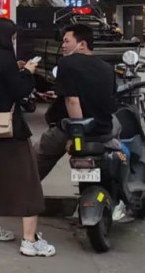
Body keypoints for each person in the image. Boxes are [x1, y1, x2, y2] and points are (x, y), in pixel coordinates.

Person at [0, 17, 55, 258]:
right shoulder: (5, 58)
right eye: (12, 38)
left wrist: (14, 70)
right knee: (27, 181)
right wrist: (27, 72)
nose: (13, 42)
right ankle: (30, 240)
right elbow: (19, 90)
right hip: (8, 130)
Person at [36, 24, 116, 181]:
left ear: (82, 44)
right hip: (103, 131)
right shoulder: (107, 68)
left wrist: (76, 135)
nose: (63, 45)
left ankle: (19, 193)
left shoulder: (67, 62)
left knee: (35, 160)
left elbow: (72, 100)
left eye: (67, 41)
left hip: (74, 130)